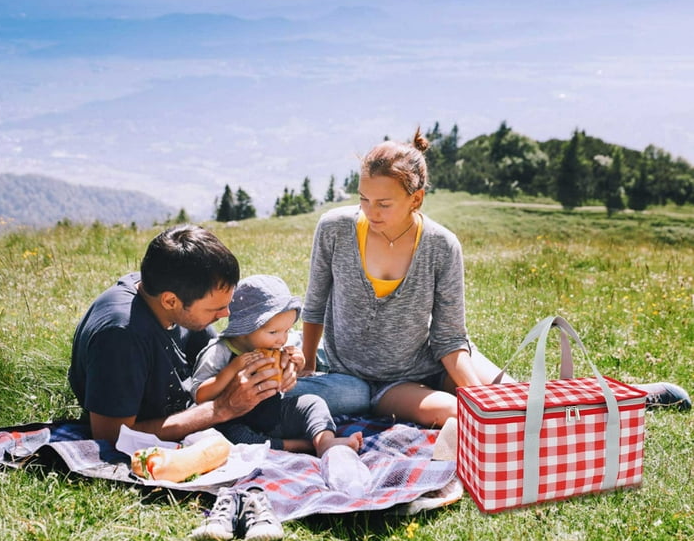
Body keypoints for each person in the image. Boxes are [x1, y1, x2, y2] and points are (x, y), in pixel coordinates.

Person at [290, 128, 691, 425]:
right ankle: (550, 410)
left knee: (518, 404)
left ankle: (630, 397)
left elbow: (449, 338)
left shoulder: (442, 246)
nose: (369, 211)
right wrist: (308, 365)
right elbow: (316, 304)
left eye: (383, 203)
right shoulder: (335, 228)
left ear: (416, 198)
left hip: (435, 358)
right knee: (462, 414)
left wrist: (482, 395)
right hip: (381, 384)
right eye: (362, 199)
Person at [69, 225, 296, 445]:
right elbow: (111, 436)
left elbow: (219, 365)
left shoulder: (168, 287)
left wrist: (281, 366)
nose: (225, 314)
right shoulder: (122, 337)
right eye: (214, 308)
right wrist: (221, 410)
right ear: (170, 301)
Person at [191, 274, 363, 455]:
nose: (282, 339)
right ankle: (301, 446)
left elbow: (287, 376)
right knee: (238, 439)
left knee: (313, 402)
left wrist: (297, 363)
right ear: (243, 330)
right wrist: (232, 369)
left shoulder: (271, 346)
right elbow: (199, 395)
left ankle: (324, 441)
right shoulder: (219, 352)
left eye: (287, 330)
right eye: (274, 332)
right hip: (236, 421)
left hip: (275, 413)